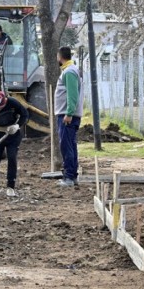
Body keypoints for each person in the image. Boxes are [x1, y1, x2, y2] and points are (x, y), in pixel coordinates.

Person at [55, 46, 83, 187]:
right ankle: (73, 175)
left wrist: (69, 113)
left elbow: (72, 94)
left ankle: (69, 177)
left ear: (60, 57)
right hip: (68, 114)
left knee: (66, 146)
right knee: (70, 145)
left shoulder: (69, 72)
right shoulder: (70, 70)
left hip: (67, 116)